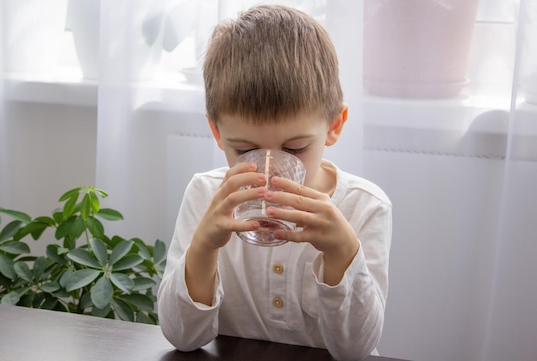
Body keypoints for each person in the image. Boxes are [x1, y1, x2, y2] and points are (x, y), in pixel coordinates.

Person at [157, 4, 392, 361]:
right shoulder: (206, 195)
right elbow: (183, 337)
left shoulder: (364, 207)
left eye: (294, 148)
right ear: (216, 133)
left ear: (334, 125)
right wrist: (203, 247)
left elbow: (355, 350)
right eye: (245, 150)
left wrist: (343, 251)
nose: (270, 170)